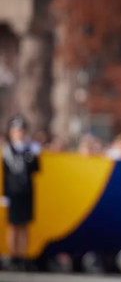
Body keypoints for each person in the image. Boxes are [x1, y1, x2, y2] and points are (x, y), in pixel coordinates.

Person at [1, 115, 41, 271]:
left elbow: (36, 170)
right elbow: (5, 174)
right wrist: (5, 194)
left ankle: (23, 256)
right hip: (13, 192)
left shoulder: (29, 149)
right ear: (11, 132)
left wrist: (34, 157)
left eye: (21, 130)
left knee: (24, 225)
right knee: (13, 226)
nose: (19, 133)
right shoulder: (8, 150)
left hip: (26, 191)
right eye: (16, 130)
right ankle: (14, 256)